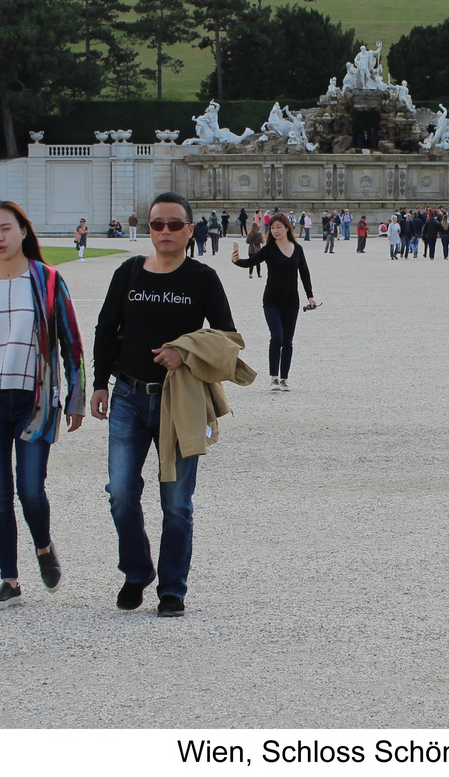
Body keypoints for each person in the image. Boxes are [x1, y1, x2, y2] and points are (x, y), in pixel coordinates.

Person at [90, 192, 242, 618]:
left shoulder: (202, 277)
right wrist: (99, 384)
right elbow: (106, 327)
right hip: (127, 396)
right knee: (120, 492)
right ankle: (137, 571)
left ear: (190, 230)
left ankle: (172, 588)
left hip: (179, 401)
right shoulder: (129, 272)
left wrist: (185, 353)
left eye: (175, 224)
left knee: (176, 501)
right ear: (149, 229)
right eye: (158, 224)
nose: (166, 232)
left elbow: (227, 337)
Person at [0, 200, 87, 610]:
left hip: (34, 401)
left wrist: (75, 396)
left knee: (30, 490)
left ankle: (43, 546)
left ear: (23, 231)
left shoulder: (46, 280)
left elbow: (71, 340)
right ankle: (9, 580)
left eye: (6, 229)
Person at [232, 216, 316, 391]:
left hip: (292, 301)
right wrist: (236, 261)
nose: (275, 230)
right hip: (271, 300)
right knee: (276, 336)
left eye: (278, 227)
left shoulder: (298, 249)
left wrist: (310, 296)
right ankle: (274, 378)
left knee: (288, 341)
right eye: (272, 228)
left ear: (287, 228)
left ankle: (284, 378)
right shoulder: (269, 249)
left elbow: (304, 274)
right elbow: (250, 262)